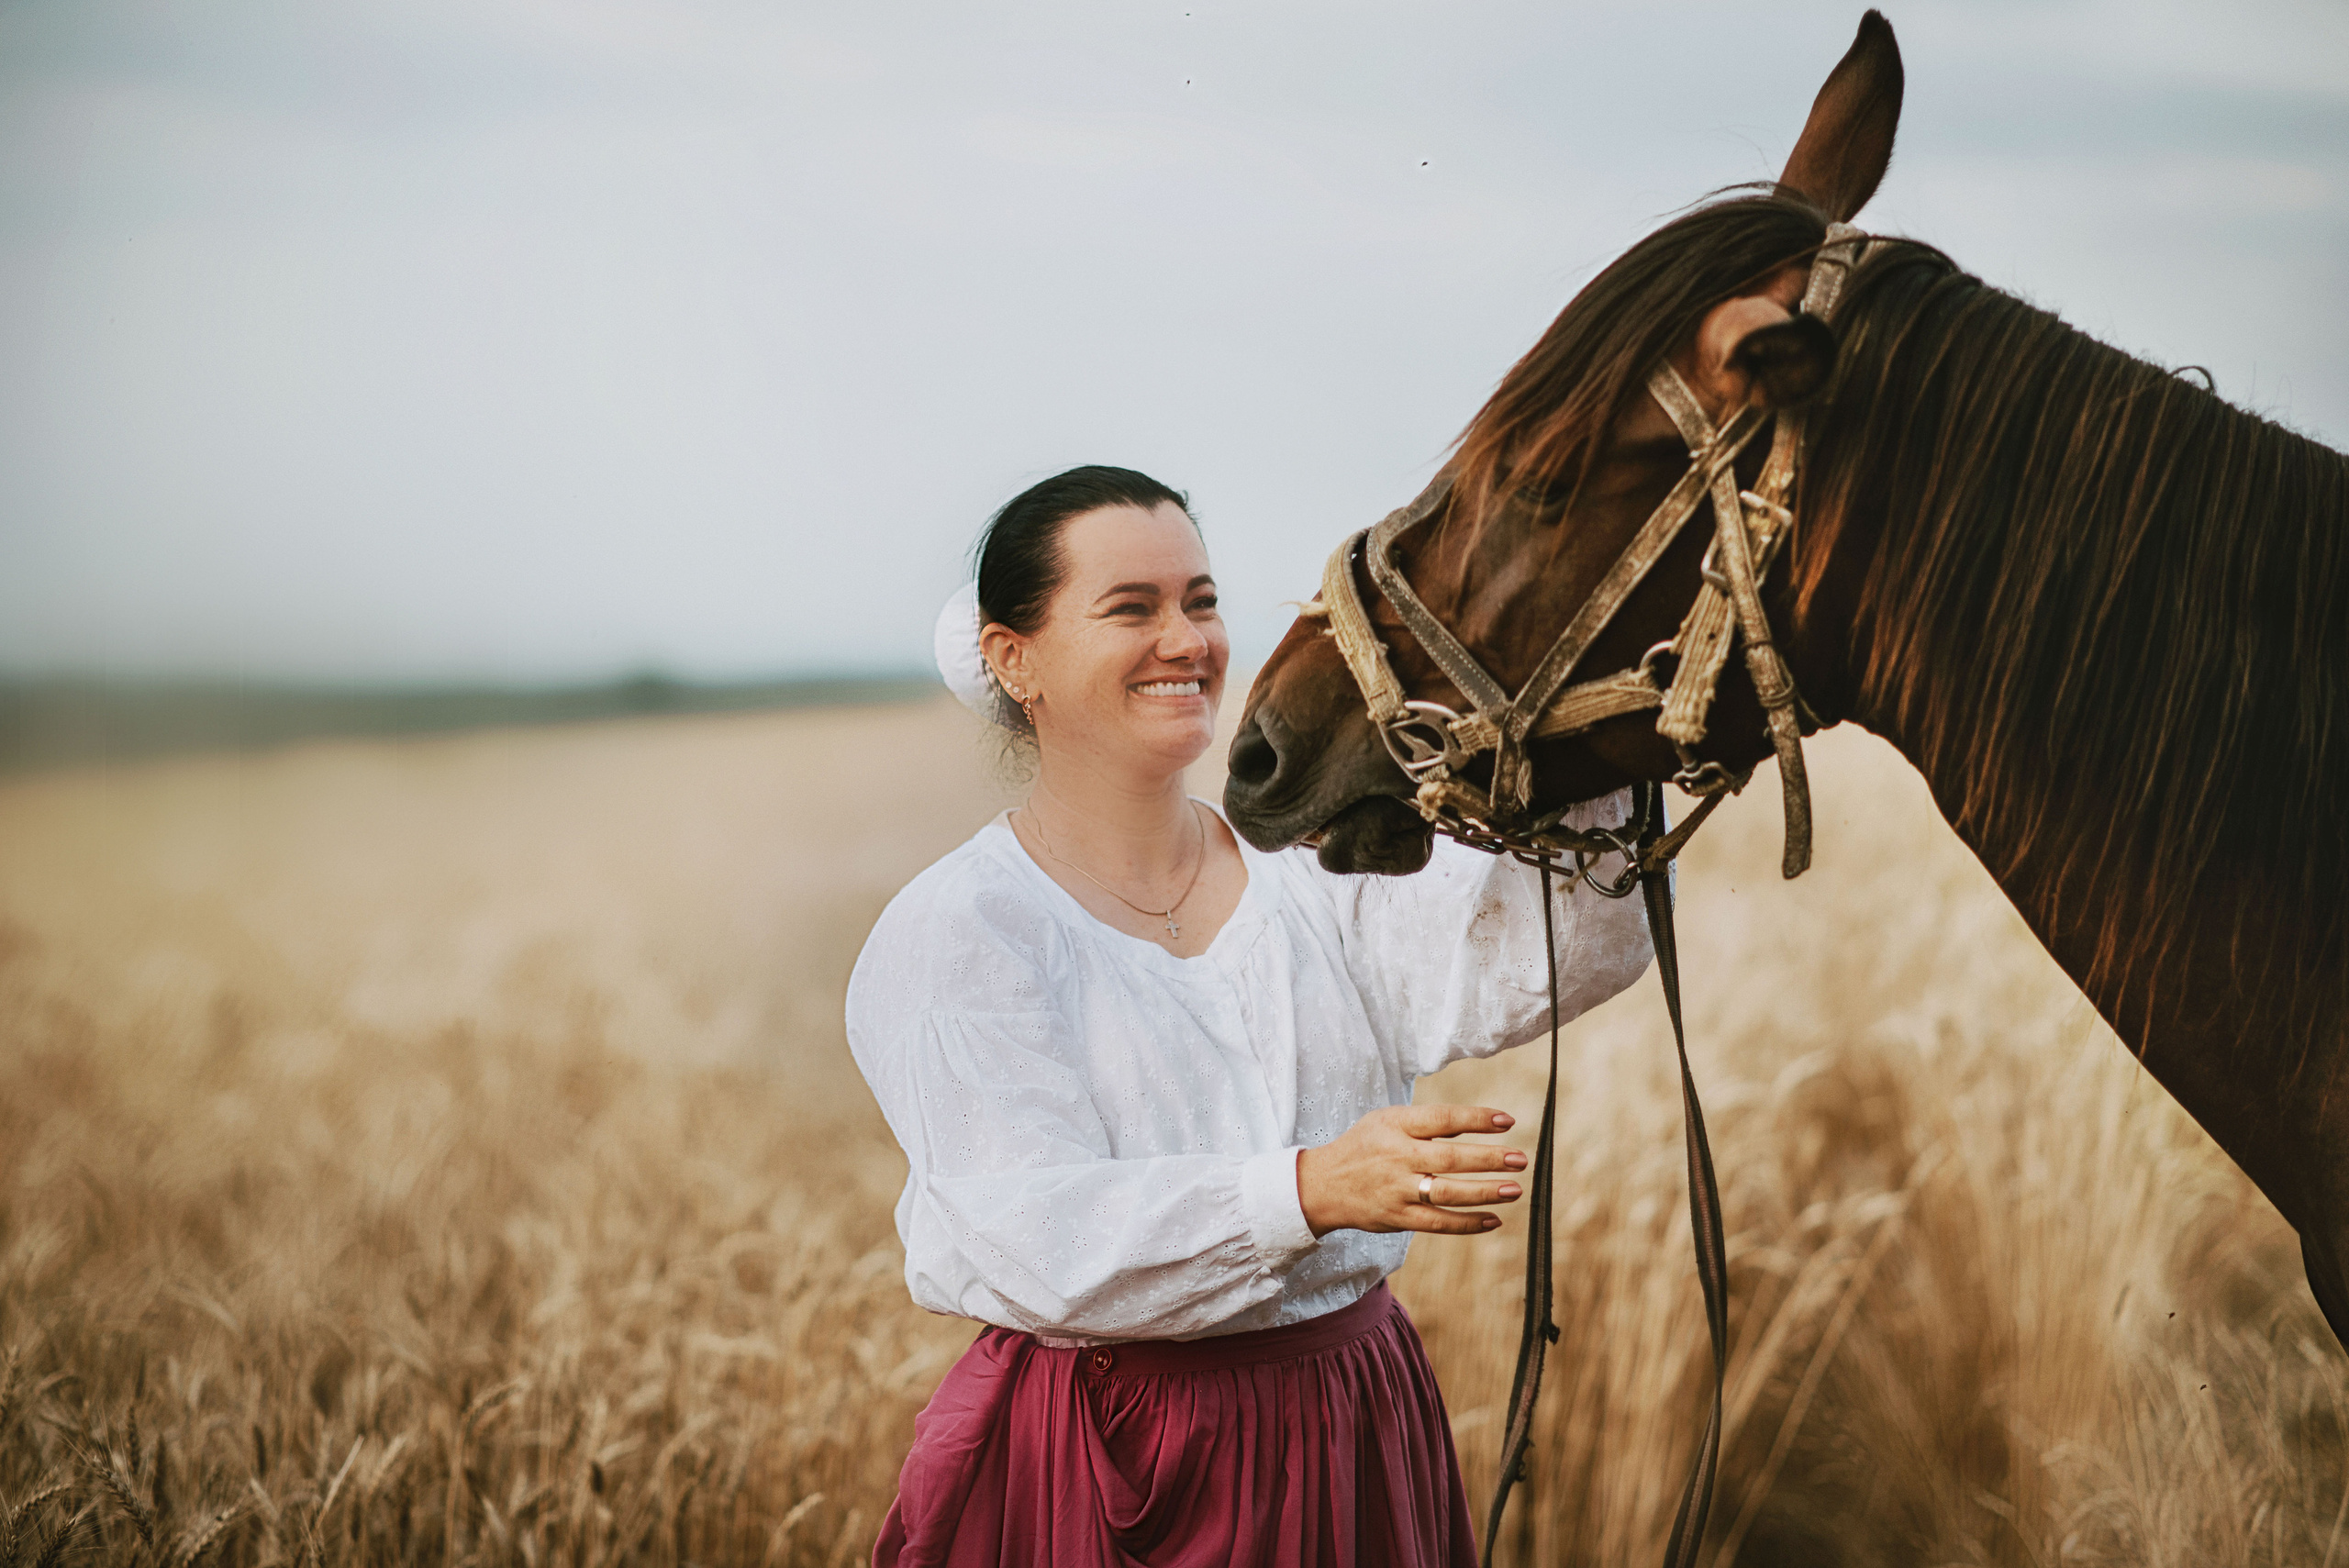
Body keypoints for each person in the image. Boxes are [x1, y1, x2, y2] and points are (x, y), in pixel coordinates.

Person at [847, 465, 1653, 1566]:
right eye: (1131, 607)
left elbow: (1522, 962)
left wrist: (1611, 735)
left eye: (1202, 599)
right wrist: (1310, 1188)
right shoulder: (960, 928)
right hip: (1127, 1450)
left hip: (1353, 1410)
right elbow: (1033, 1232)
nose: (1186, 638)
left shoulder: (1303, 868)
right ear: (1011, 657)